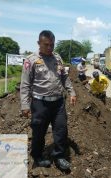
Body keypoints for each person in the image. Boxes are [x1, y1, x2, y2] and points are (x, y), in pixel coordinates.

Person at [20, 30, 77, 170]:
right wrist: (25, 105)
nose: (50, 48)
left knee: (61, 130)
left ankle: (59, 156)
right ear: (39, 43)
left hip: (58, 103)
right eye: (46, 45)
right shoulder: (31, 60)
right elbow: (25, 84)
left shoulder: (57, 58)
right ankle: (38, 157)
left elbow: (64, 76)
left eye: (52, 45)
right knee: (39, 131)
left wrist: (72, 92)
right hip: (40, 103)